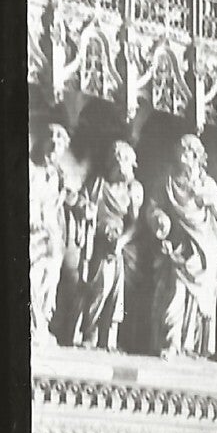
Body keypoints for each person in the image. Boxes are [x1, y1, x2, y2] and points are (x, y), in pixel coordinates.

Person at [147, 133, 217, 359]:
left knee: (200, 299)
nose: (183, 154)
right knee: (175, 290)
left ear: (197, 156)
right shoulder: (167, 181)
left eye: (188, 150)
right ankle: (172, 342)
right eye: (181, 149)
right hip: (179, 246)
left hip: (205, 247)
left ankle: (193, 346)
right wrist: (159, 219)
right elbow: (154, 207)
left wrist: (211, 201)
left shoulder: (207, 184)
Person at [71, 139, 143, 351]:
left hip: (119, 245)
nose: (125, 168)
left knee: (116, 292)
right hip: (99, 242)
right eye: (121, 161)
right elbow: (82, 201)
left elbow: (136, 224)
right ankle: (90, 334)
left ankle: (109, 339)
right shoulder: (98, 184)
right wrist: (86, 209)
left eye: (128, 162)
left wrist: (121, 241)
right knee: (99, 286)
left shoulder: (133, 189)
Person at [30, 120, 75, 343]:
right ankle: (31, 325)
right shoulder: (31, 169)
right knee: (33, 278)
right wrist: (34, 219)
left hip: (54, 237)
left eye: (60, 139)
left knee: (50, 281)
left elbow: (61, 203)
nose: (55, 142)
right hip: (35, 234)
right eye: (51, 137)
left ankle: (42, 325)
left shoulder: (58, 174)